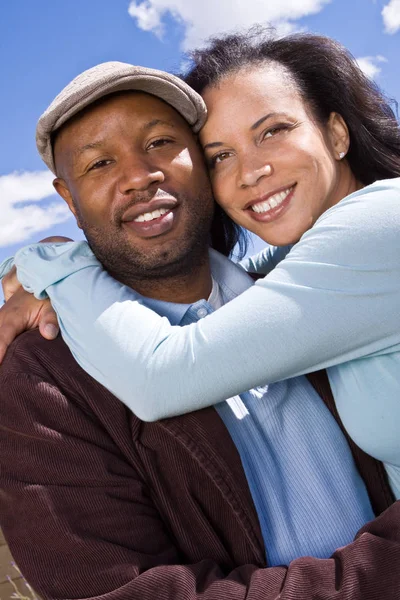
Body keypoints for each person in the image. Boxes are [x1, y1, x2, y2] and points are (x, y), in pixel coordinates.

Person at [1, 60, 400, 600]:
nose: (139, 176)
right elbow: (115, 590)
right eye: (98, 164)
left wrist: (49, 264)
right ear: (68, 200)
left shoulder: (309, 286)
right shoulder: (41, 381)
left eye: (162, 142)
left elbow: (166, 370)